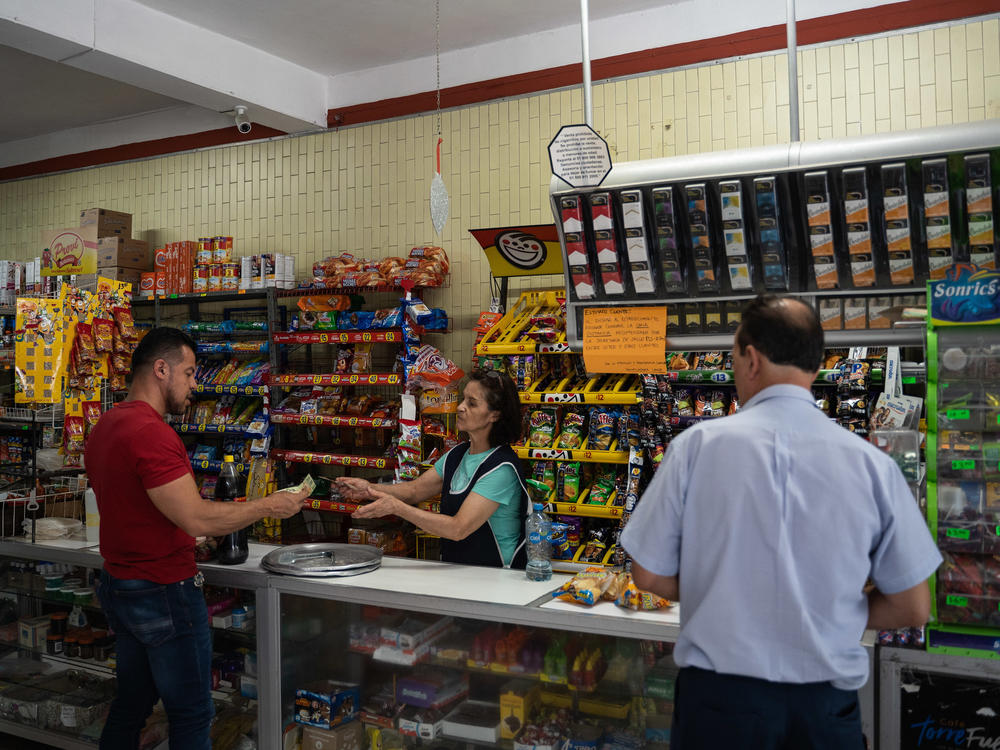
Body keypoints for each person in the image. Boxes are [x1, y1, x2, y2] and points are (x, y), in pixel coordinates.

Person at [621, 295, 942, 750]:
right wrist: (831, 612)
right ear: (813, 364)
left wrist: (724, 593)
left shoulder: (696, 448)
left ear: (750, 358)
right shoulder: (874, 465)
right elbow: (913, 606)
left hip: (719, 705)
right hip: (824, 709)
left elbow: (647, 573)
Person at [85, 327, 309, 750]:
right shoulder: (151, 433)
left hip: (121, 584)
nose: (194, 384)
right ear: (161, 369)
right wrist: (268, 505)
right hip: (163, 590)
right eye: (188, 373)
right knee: (192, 714)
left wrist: (189, 535)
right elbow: (194, 515)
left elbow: (144, 510)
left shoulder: (106, 425)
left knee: (131, 704)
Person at [338, 368, 529, 568]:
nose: (461, 407)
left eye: (472, 404)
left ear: (495, 415)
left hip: (497, 579)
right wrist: (368, 489)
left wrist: (397, 507)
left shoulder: (501, 469)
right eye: (463, 400)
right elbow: (414, 490)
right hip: (459, 572)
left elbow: (458, 528)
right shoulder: (457, 455)